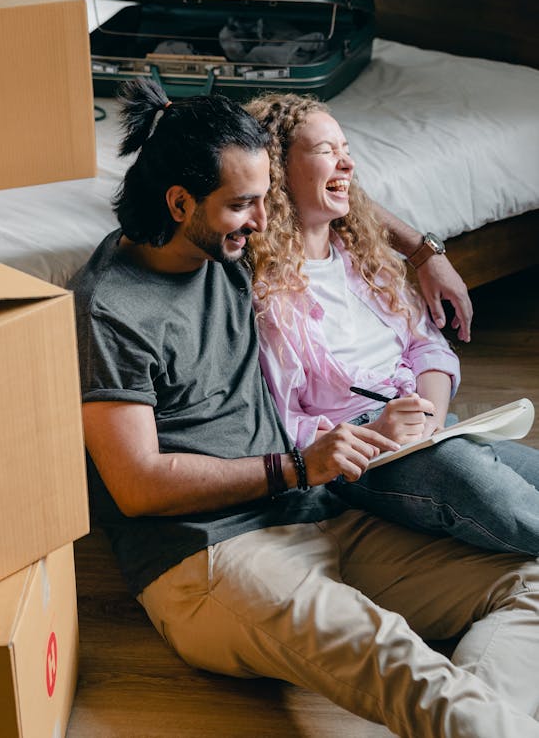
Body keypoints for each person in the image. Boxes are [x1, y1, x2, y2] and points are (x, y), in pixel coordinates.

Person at [70, 77, 539, 738]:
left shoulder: (220, 244)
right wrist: (297, 466)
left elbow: (330, 186)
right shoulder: (112, 307)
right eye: (245, 206)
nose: (265, 223)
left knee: (530, 580)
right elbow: (138, 485)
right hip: (208, 558)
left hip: (318, 519)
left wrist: (425, 253)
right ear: (178, 202)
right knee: (398, 663)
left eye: (265, 200)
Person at [245, 91, 539, 555]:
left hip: (426, 427)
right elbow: (280, 422)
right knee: (484, 489)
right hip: (358, 456)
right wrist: (380, 433)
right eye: (326, 151)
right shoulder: (262, 295)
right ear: (278, 170)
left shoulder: (366, 258)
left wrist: (432, 418)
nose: (347, 164)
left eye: (345, 149)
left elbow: (428, 348)